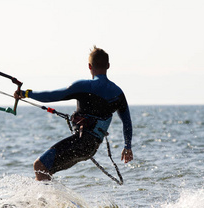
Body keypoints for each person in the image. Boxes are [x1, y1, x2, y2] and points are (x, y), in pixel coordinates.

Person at [14, 46, 133, 181]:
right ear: (108, 65)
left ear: (89, 66)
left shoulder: (83, 86)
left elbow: (52, 96)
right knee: (45, 171)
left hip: (80, 143)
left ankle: (46, 201)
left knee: (39, 166)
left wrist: (26, 94)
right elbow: (127, 122)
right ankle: (41, 201)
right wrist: (127, 147)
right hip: (91, 148)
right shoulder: (118, 93)